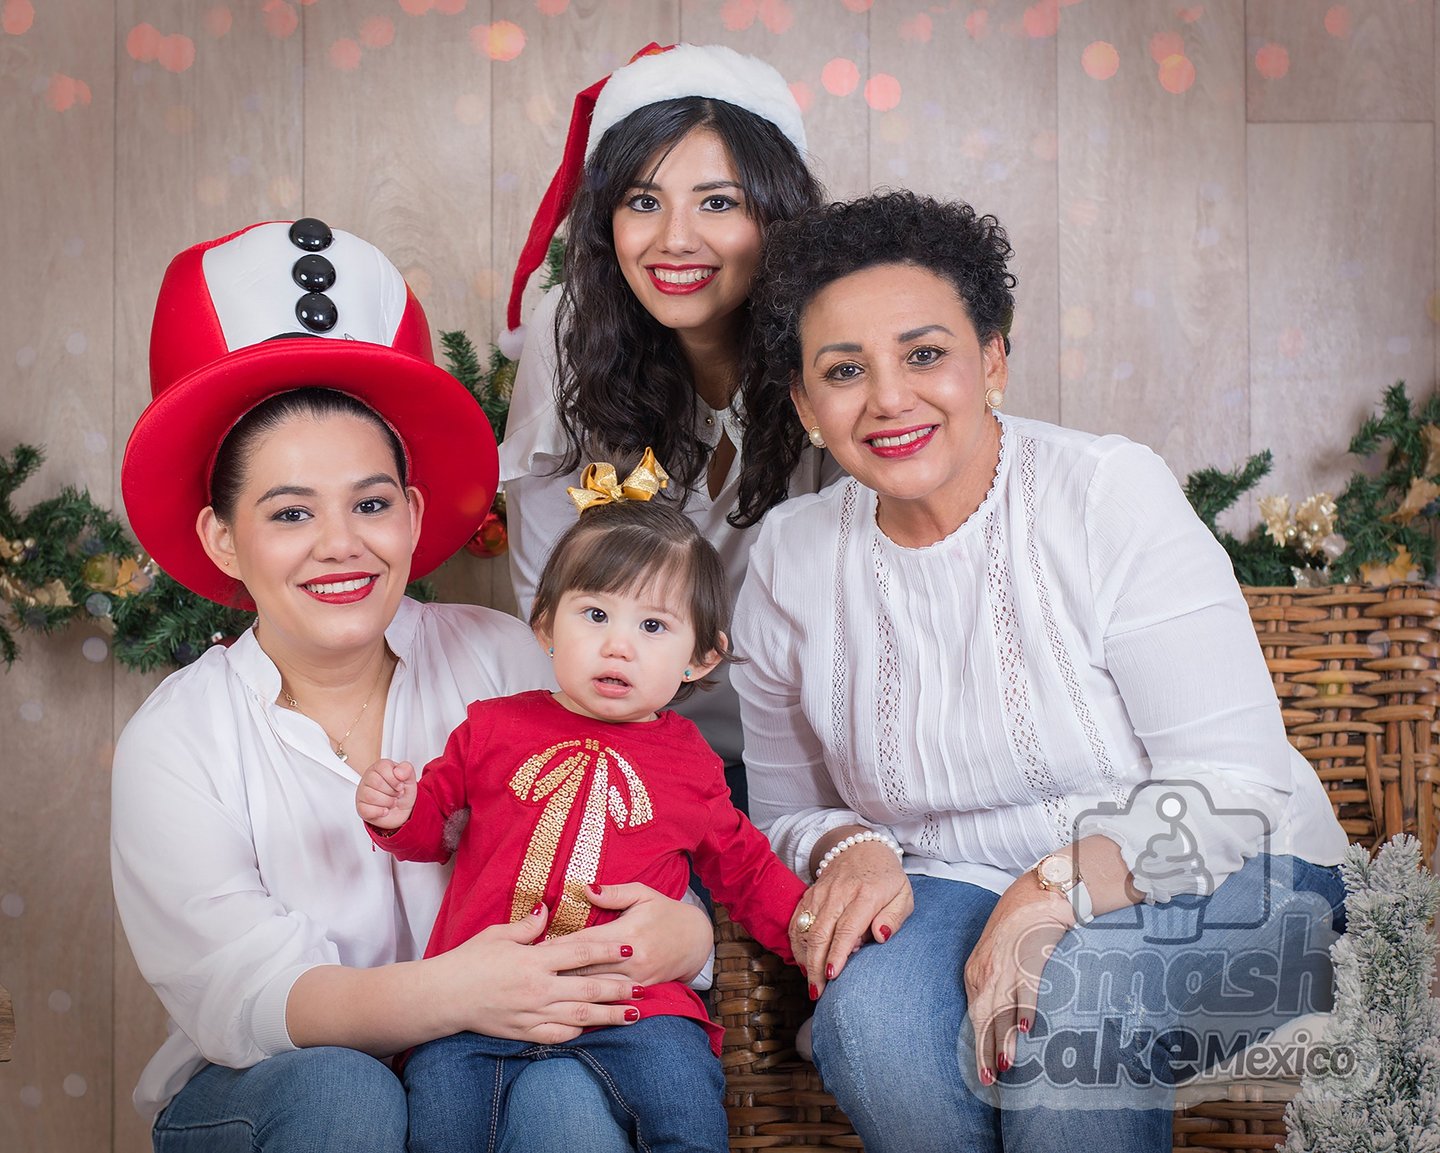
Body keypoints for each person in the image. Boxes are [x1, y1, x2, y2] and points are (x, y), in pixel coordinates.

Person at [730, 191, 1351, 1152]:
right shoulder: (787, 558)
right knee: (873, 1029)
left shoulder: (1107, 493)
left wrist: (1052, 891)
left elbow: (1241, 794)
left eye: (925, 353)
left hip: (1245, 872)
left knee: (1085, 1007)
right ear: (808, 406)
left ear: (994, 359)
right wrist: (845, 845)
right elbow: (781, 810)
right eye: (845, 371)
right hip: (952, 880)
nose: (889, 397)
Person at [111, 219, 715, 1153]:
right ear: (223, 538)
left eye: (370, 502)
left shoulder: (511, 659)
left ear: (414, 512)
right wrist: (453, 993)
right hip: (273, 1087)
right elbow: (245, 994)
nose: (340, 543)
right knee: (351, 1096)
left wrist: (688, 937)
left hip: (506, 1054)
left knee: (563, 1103)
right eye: (289, 512)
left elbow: (653, 831)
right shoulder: (178, 738)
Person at [357, 477, 807, 1153]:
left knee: (687, 1109)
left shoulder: (691, 761)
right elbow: (434, 831)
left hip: (633, 1007)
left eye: (652, 625)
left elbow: (747, 870)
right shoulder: (491, 726)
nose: (618, 645)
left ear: (701, 656)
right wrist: (398, 813)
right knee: (442, 1121)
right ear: (545, 624)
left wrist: (816, 944)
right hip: (480, 1008)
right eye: (595, 615)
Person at [499, 43, 841, 804]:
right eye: (643, 201)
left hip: (815, 753)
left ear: (776, 213)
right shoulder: (567, 329)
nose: (674, 239)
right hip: (626, 740)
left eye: (718, 202)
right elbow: (544, 575)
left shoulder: (835, 334)